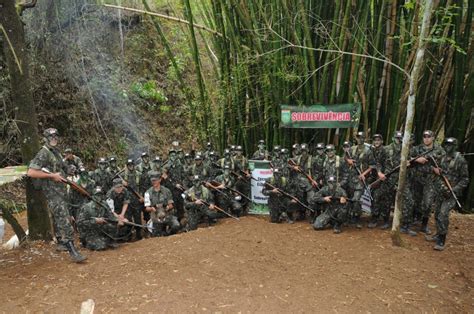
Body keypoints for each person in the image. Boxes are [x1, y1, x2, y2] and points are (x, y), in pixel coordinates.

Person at [27, 128, 87, 263]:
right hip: (53, 193)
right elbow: (31, 172)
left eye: (55, 136)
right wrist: (51, 175)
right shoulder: (44, 153)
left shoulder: (56, 152)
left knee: (59, 217)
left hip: (61, 191)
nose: (54, 138)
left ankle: (61, 243)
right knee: (64, 219)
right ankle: (73, 252)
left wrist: (70, 170)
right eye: (51, 136)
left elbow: (63, 167)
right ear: (46, 138)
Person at [426, 138, 468, 250]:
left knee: (443, 214)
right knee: (437, 213)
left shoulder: (460, 160)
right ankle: (438, 233)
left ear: (455, 146)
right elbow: (433, 166)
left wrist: (454, 189)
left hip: (451, 193)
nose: (448, 147)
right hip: (441, 191)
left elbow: (465, 179)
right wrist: (435, 170)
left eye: (450, 145)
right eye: (446, 145)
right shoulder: (442, 157)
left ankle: (442, 239)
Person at [410, 130, 446, 234]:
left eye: (429, 136)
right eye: (424, 136)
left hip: (430, 181)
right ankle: (415, 220)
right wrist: (417, 160)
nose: (426, 138)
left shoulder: (439, 150)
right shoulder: (417, 148)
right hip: (417, 179)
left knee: (427, 203)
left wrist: (437, 170)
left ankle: (424, 224)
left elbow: (445, 164)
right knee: (416, 201)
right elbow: (407, 159)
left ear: (433, 137)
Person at [76, 186, 122, 251]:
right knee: (101, 246)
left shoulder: (104, 204)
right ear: (92, 196)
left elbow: (111, 216)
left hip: (100, 229)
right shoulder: (86, 207)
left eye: (100, 195)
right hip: (90, 232)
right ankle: (87, 242)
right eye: (97, 195)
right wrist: (95, 220)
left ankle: (111, 241)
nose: (99, 197)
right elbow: (79, 223)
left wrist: (119, 220)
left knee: (113, 225)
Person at [144, 171, 179, 236]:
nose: (154, 182)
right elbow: (147, 208)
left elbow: (171, 205)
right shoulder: (147, 193)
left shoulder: (166, 191)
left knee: (176, 225)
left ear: (160, 180)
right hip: (156, 218)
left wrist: (167, 208)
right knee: (157, 235)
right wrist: (152, 208)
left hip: (167, 215)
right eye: (152, 181)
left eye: (155, 180)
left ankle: (169, 234)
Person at [122, 159, 144, 241]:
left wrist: (142, 196)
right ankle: (129, 236)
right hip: (127, 201)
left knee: (138, 218)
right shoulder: (123, 176)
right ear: (127, 166)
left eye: (132, 164)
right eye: (129, 165)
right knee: (128, 219)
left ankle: (139, 235)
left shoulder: (139, 174)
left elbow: (142, 186)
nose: (130, 166)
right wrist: (123, 183)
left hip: (137, 200)